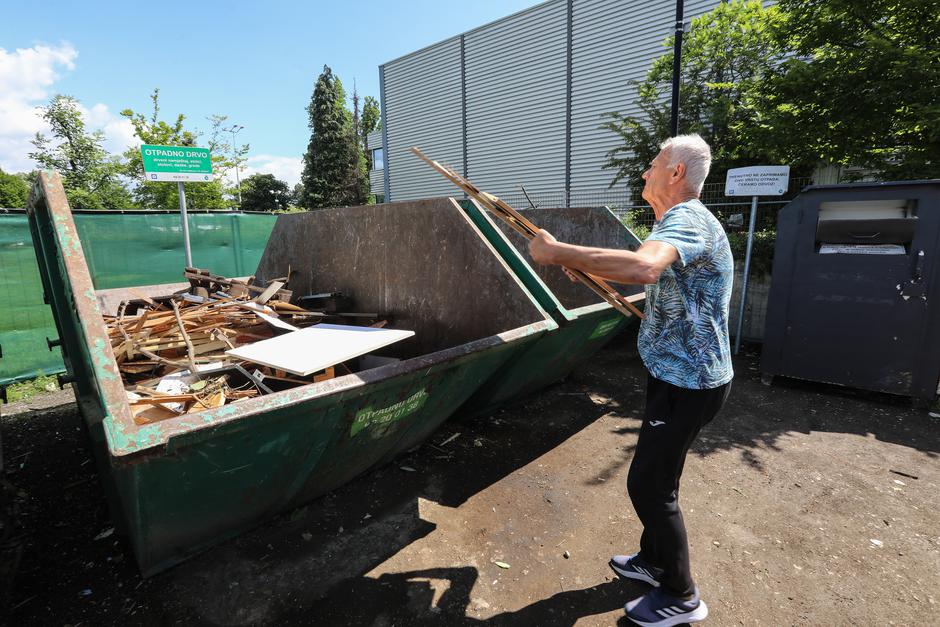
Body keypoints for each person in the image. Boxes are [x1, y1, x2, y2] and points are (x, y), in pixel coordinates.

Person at [528, 134, 733, 626]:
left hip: (690, 381)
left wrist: (558, 253)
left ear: (676, 173)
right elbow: (659, 276)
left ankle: (683, 596)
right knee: (662, 475)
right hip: (678, 374)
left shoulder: (687, 218)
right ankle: (655, 561)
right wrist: (584, 264)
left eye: (653, 166)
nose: (645, 174)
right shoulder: (674, 223)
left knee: (649, 485)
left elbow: (643, 268)